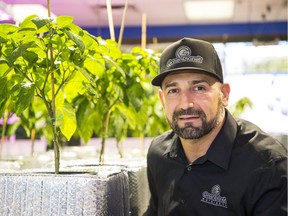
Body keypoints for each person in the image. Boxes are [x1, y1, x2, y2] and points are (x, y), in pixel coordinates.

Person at [144, 37, 287, 216]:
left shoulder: (267, 165)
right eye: (173, 91)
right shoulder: (158, 153)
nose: (185, 104)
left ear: (224, 95)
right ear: (162, 100)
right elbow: (154, 210)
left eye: (199, 88)